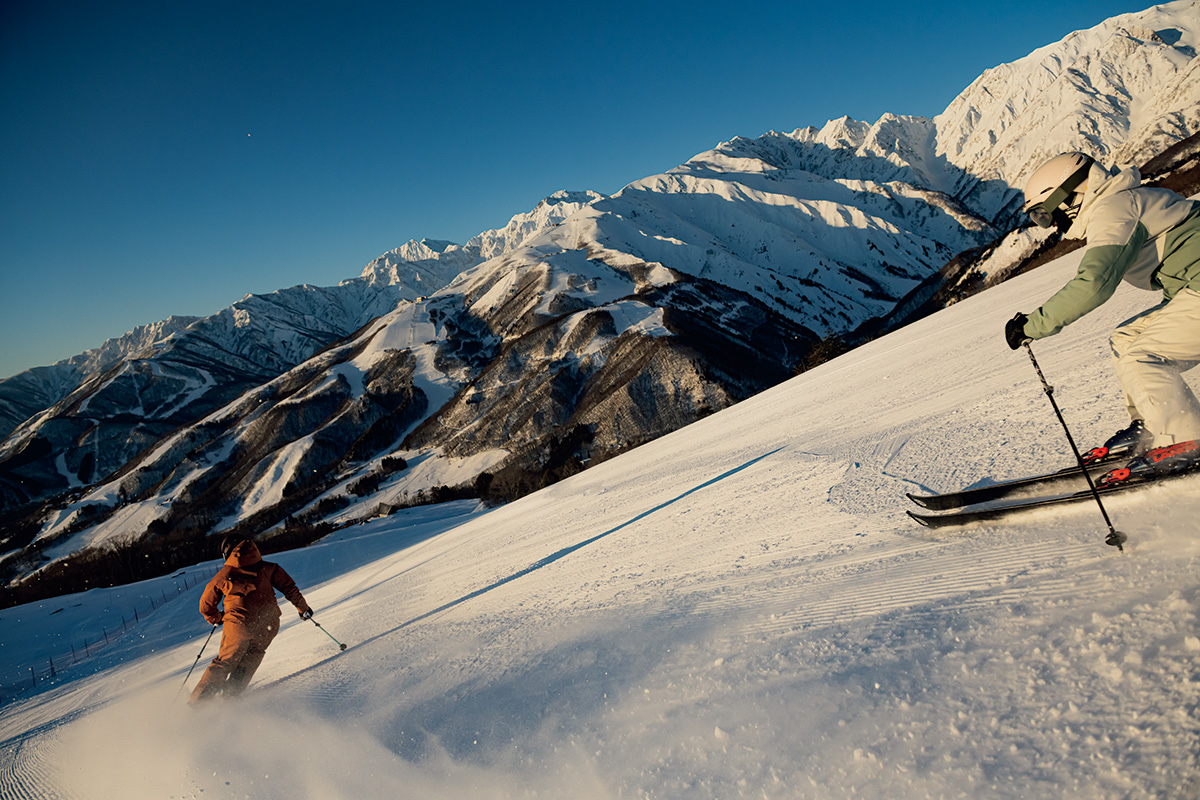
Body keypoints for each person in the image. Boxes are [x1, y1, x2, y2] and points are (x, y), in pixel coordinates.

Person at [1005, 151, 1200, 473]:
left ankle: (1184, 440)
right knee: (1126, 339)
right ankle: (1152, 424)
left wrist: (1032, 325)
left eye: (1044, 214)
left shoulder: (1115, 210)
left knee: (1143, 356)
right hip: (1191, 288)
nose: (1049, 224)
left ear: (1069, 196)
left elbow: (1094, 283)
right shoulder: (1125, 202)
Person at [189, 535, 313, 704]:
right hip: (268, 624)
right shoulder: (269, 568)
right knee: (253, 656)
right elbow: (289, 588)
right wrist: (303, 609)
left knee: (224, 663)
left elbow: (205, 605)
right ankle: (230, 696)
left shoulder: (225, 575)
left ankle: (198, 704)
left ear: (227, 553)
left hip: (239, 625)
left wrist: (216, 617)